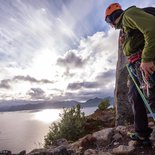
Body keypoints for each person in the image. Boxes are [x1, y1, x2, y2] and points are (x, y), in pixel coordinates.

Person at [104, 3, 155, 146]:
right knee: (135, 96)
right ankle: (141, 133)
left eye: (109, 22)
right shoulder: (125, 29)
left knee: (153, 98)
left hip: (145, 62)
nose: (111, 25)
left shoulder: (129, 15)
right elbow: (132, 46)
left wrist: (147, 59)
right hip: (136, 66)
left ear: (112, 17)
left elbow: (152, 28)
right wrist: (125, 43)